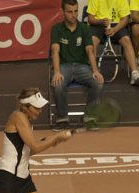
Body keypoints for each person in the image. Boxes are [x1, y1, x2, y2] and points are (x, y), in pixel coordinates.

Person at [51, 0, 104, 131]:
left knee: (98, 82)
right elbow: (55, 51)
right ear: (62, 12)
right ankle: (62, 119)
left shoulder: (85, 28)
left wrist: (95, 70)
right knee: (58, 84)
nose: (73, 15)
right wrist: (57, 72)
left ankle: (89, 117)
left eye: (75, 11)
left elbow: (90, 51)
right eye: (69, 12)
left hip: (82, 67)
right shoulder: (56, 29)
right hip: (64, 67)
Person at [87, 0, 139, 86]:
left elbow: (125, 19)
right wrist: (101, 21)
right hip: (98, 24)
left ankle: (134, 73)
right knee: (92, 41)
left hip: (117, 25)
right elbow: (90, 19)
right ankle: (94, 73)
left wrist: (115, 29)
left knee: (126, 40)